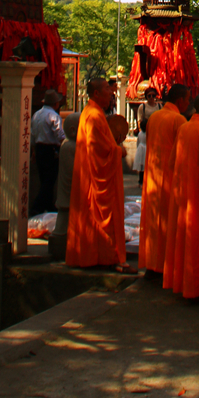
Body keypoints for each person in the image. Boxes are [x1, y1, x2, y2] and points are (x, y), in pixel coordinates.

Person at [66, 77, 135, 273]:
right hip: (97, 180)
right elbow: (100, 150)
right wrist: (119, 151)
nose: (112, 91)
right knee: (103, 217)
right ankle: (109, 258)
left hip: (88, 176)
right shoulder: (94, 116)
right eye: (107, 88)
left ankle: (93, 256)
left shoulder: (92, 113)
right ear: (96, 93)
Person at [163, 91, 199, 300]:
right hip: (198, 196)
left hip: (182, 194)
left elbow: (172, 163)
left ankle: (182, 283)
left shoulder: (184, 128)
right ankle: (197, 287)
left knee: (183, 240)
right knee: (198, 244)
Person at [139, 83, 190, 275]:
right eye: (187, 100)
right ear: (179, 101)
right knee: (169, 224)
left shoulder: (154, 118)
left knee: (153, 223)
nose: (187, 103)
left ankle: (152, 264)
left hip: (153, 178)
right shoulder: (179, 121)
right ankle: (166, 265)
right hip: (171, 180)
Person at [49, 112, 79, 259]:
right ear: (73, 130)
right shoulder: (69, 147)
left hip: (69, 191)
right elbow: (74, 169)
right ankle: (60, 244)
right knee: (63, 222)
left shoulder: (70, 146)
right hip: (68, 190)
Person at [30, 89, 65, 215]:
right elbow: (59, 134)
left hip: (39, 149)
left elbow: (32, 135)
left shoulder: (36, 115)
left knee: (44, 178)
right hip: (51, 150)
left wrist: (34, 151)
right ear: (55, 104)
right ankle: (37, 206)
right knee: (49, 180)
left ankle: (49, 206)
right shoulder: (53, 116)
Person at [134, 118, 148, 186]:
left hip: (140, 149)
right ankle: (143, 181)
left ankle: (140, 181)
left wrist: (138, 148)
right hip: (146, 149)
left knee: (141, 167)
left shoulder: (140, 134)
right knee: (144, 167)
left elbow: (138, 142)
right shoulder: (148, 134)